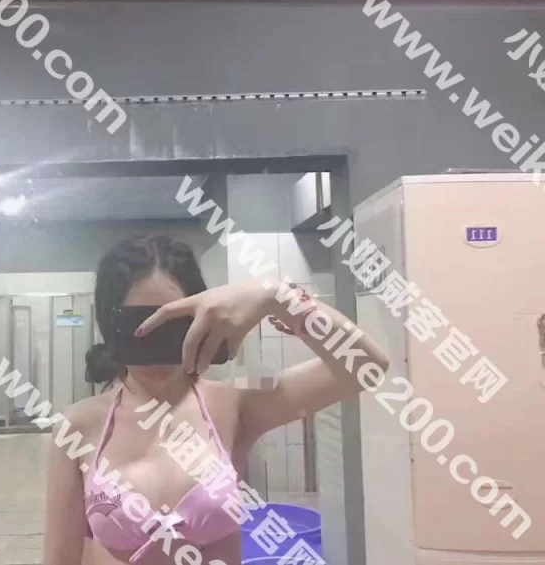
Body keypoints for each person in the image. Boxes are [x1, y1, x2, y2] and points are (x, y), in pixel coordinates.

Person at [43, 235, 389, 565]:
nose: (156, 345)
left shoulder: (232, 406)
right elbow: (59, 558)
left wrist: (278, 297)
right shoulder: (78, 427)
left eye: (172, 325)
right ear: (110, 328)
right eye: (139, 328)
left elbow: (366, 365)